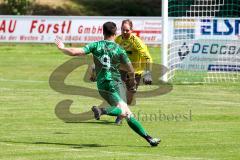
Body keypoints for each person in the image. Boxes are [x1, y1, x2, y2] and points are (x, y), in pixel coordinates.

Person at [55, 21, 160, 147]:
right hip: (113, 84)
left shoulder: (96, 45)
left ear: (103, 32)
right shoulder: (119, 49)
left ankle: (149, 139)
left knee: (127, 113)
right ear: (115, 33)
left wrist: (62, 48)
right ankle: (101, 110)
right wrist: (132, 81)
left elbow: (76, 52)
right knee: (122, 111)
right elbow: (131, 70)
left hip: (101, 84)